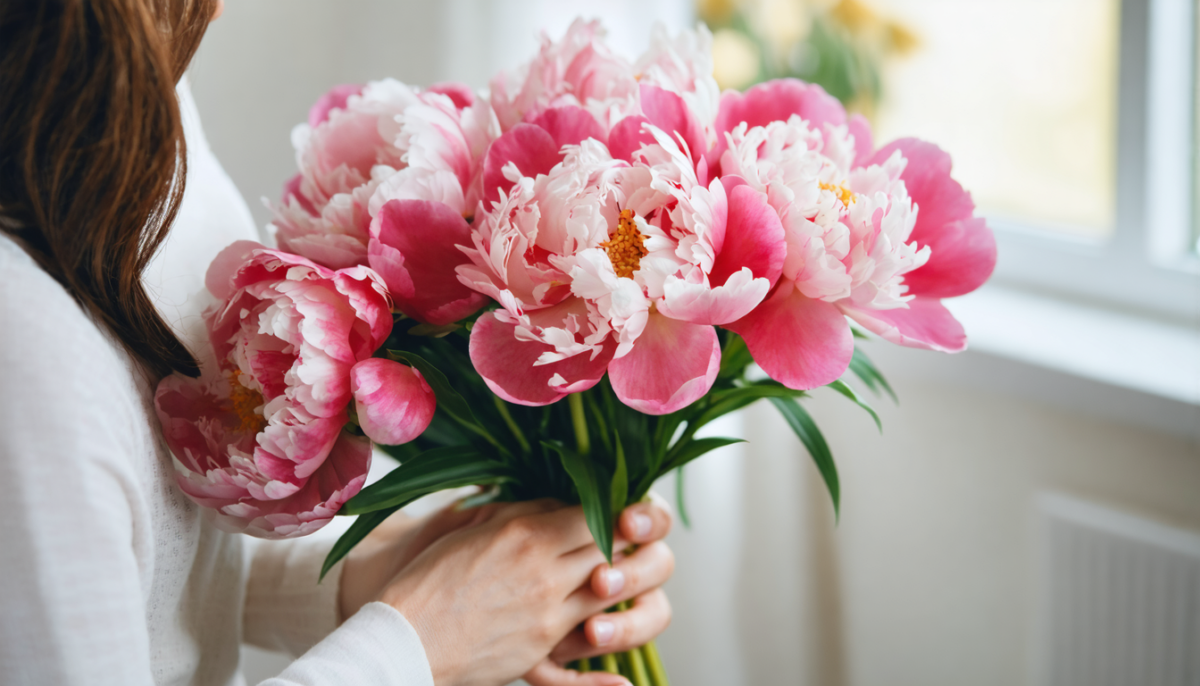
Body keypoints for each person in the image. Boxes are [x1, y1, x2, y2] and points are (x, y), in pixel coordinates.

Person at [0, 2, 675, 685]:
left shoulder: (116, 75)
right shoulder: (22, 347)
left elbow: (158, 565)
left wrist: (399, 578)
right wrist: (418, 647)